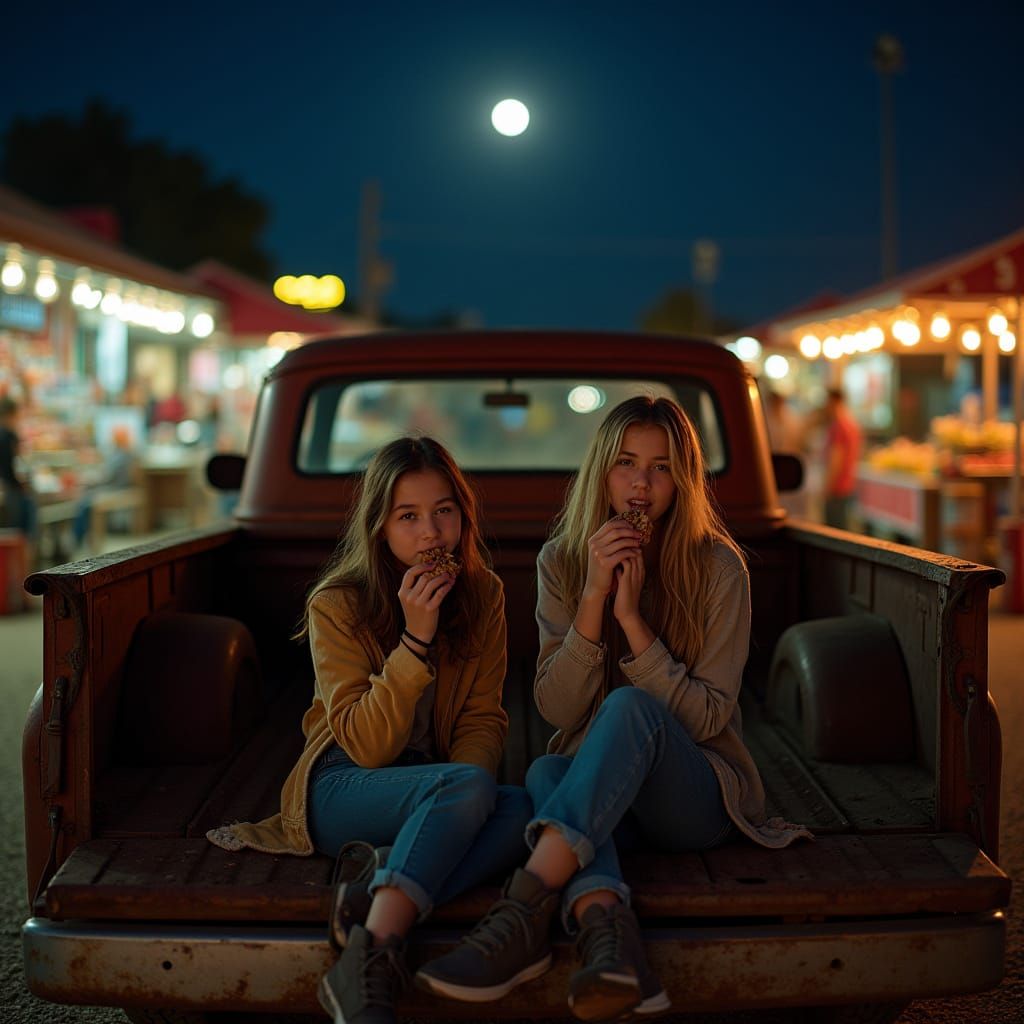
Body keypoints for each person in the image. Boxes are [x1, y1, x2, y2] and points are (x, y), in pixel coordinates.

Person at [415, 396, 812, 1022]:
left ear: (682, 479)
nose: (641, 484)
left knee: (623, 710)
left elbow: (708, 720)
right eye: (627, 464)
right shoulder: (561, 561)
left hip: (696, 798)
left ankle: (520, 914)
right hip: (610, 804)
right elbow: (555, 708)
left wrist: (633, 622)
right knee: (548, 770)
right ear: (602, 471)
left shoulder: (718, 566)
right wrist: (596, 597)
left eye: (660, 467)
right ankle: (614, 952)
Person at [206, 436, 532, 1024]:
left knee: (525, 810)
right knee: (467, 792)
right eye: (408, 517)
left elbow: (483, 719)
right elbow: (368, 745)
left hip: (434, 786)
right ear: (379, 527)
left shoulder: (484, 595)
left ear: (463, 516)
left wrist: (468, 794)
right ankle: (373, 956)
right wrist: (414, 639)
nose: (430, 533)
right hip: (342, 783)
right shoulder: (337, 604)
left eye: (444, 511)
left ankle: (370, 900)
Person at [71, 425, 139, 550]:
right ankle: (83, 537)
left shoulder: (121, 455)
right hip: (115, 487)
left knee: (85, 502)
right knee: (85, 498)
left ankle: (77, 539)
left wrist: (90, 480)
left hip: (116, 489)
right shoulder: (126, 453)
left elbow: (107, 476)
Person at [0, 395, 39, 561]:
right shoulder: (9, 435)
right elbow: (13, 467)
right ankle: (23, 570)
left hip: (5, 491)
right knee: (19, 534)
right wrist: (22, 484)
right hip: (12, 491)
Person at [821, 387, 863, 529]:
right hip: (848, 485)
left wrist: (827, 487)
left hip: (837, 488)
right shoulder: (852, 424)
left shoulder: (838, 426)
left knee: (834, 530)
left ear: (833, 401)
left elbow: (836, 460)